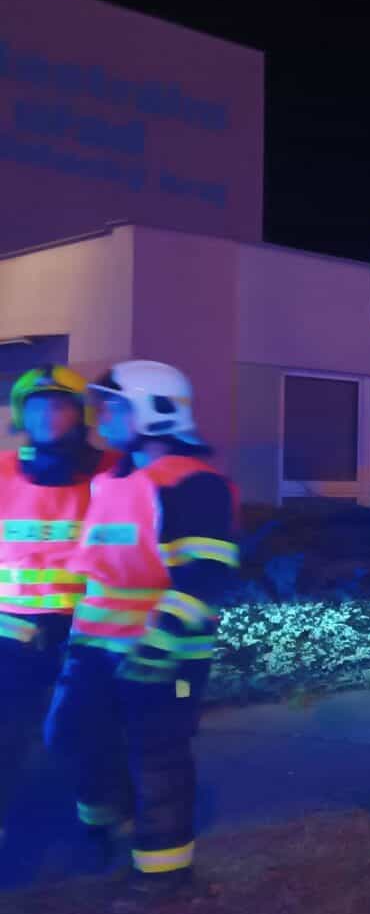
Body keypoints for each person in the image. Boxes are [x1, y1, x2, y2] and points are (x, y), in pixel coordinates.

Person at [45, 361, 238, 885]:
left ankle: (163, 874)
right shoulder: (113, 480)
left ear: (154, 413)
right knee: (77, 738)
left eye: (114, 405)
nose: (101, 416)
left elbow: (203, 579)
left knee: (157, 758)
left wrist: (158, 647)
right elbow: (100, 572)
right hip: (97, 648)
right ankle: (103, 838)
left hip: (163, 651)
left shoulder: (195, 486)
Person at [0, 367, 113, 845]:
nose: (48, 414)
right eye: (38, 405)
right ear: (23, 414)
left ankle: (100, 820)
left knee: (90, 729)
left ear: (79, 413)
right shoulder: (3, 470)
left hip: (85, 626)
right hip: (11, 625)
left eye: (60, 404)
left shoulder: (109, 473)